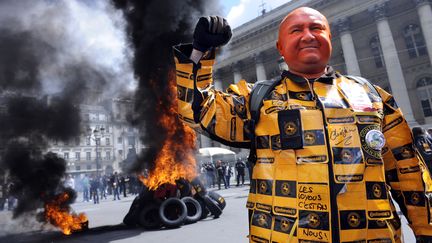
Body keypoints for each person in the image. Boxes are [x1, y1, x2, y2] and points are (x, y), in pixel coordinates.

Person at [173, 7, 432, 242]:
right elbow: (198, 111)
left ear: (329, 38)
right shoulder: (257, 99)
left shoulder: (372, 96)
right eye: (296, 30)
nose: (308, 36)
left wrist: (426, 230)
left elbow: (406, 169)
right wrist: (200, 52)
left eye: (316, 28)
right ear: (280, 48)